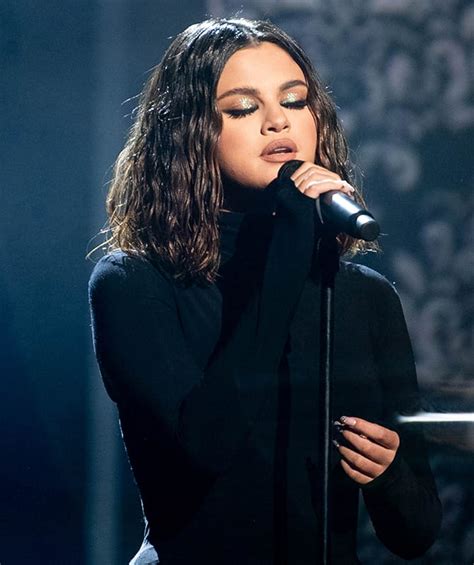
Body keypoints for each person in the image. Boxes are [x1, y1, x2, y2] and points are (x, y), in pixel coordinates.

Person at [88, 18, 441, 565]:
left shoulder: (364, 297)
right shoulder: (134, 283)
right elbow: (204, 451)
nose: (278, 120)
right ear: (190, 133)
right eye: (242, 109)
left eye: (294, 101)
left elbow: (415, 533)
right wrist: (287, 251)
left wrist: (388, 475)